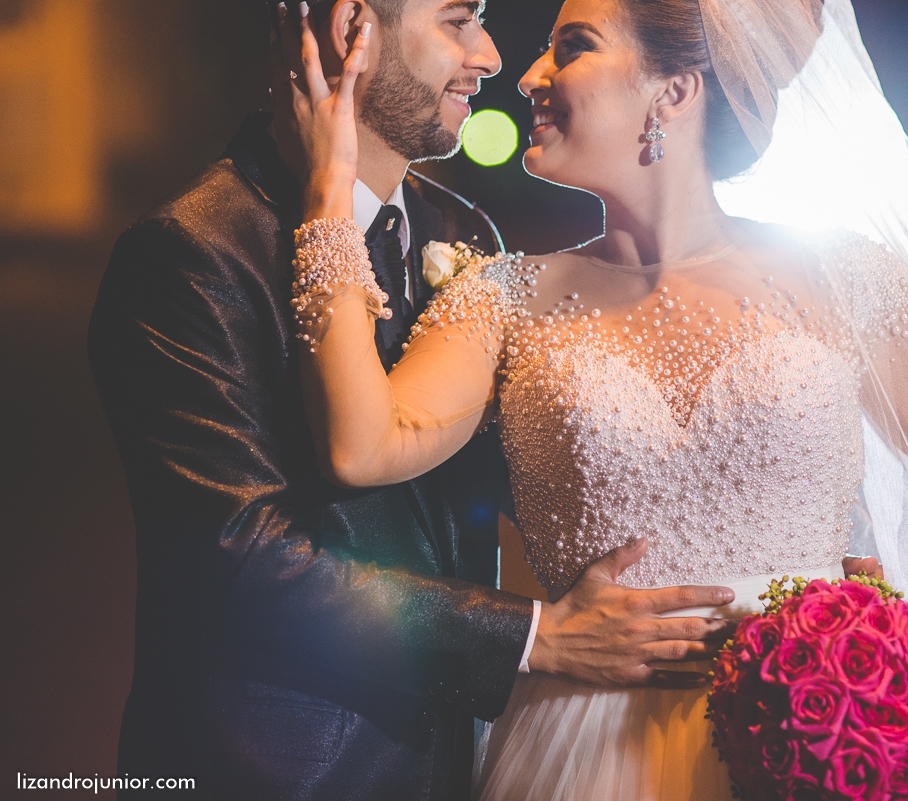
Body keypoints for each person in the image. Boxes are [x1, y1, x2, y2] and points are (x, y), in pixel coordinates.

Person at [281, 0, 908, 798]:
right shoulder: (500, 299)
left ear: (673, 92)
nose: (527, 72)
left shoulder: (846, 280)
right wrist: (330, 199)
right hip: (583, 752)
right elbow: (362, 446)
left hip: (821, 748)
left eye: (573, 45)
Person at [86, 1, 747, 798]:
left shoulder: (459, 229)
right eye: (459, 21)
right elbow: (239, 557)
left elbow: (546, 473)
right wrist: (531, 635)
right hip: (284, 769)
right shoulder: (194, 254)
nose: (492, 55)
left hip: (461, 762)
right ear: (350, 29)